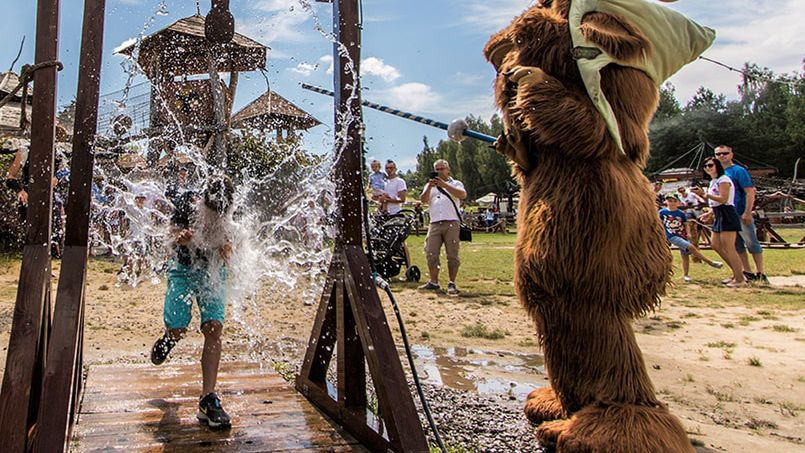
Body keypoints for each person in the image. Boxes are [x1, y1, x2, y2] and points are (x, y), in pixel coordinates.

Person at [150, 175, 236, 429]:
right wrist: (181, 237)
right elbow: (169, 234)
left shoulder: (230, 210)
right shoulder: (187, 202)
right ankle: (169, 338)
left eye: (221, 213)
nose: (215, 218)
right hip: (184, 270)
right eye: (212, 212)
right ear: (203, 202)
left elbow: (234, 242)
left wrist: (228, 250)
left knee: (214, 328)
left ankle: (208, 398)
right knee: (179, 328)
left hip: (213, 271)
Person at [715, 145, 767, 283]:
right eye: (718, 154)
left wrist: (747, 212)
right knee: (736, 245)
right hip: (728, 214)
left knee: (751, 242)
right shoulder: (718, 174)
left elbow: (749, 192)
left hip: (740, 212)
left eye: (725, 153)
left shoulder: (739, 171)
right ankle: (747, 271)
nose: (722, 156)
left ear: (731, 154)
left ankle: (761, 273)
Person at [692, 157, 744, 287]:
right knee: (715, 245)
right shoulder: (713, 181)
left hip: (727, 213)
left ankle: (740, 278)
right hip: (718, 212)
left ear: (717, 166)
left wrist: (704, 194)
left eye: (710, 165)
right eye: (705, 166)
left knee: (729, 247)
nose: (708, 168)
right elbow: (715, 202)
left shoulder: (724, 180)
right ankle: (736, 273)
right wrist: (709, 212)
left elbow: (724, 199)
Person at [419, 159, 467, 296]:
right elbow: (423, 200)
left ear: (448, 169)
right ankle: (434, 282)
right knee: (430, 252)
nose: (439, 172)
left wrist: (444, 185)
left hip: (452, 222)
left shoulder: (455, 183)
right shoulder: (430, 186)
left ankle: (452, 282)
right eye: (437, 169)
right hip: (434, 222)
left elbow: (462, 195)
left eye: (442, 169)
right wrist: (429, 186)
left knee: (452, 254)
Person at [658, 194, 722, 282]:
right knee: (691, 247)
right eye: (669, 201)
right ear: (666, 202)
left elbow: (686, 223)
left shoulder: (681, 213)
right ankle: (710, 262)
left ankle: (686, 275)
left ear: (678, 202)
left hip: (682, 235)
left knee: (685, 256)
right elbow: (659, 223)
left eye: (673, 201)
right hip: (671, 235)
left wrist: (688, 233)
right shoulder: (662, 212)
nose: (671, 203)